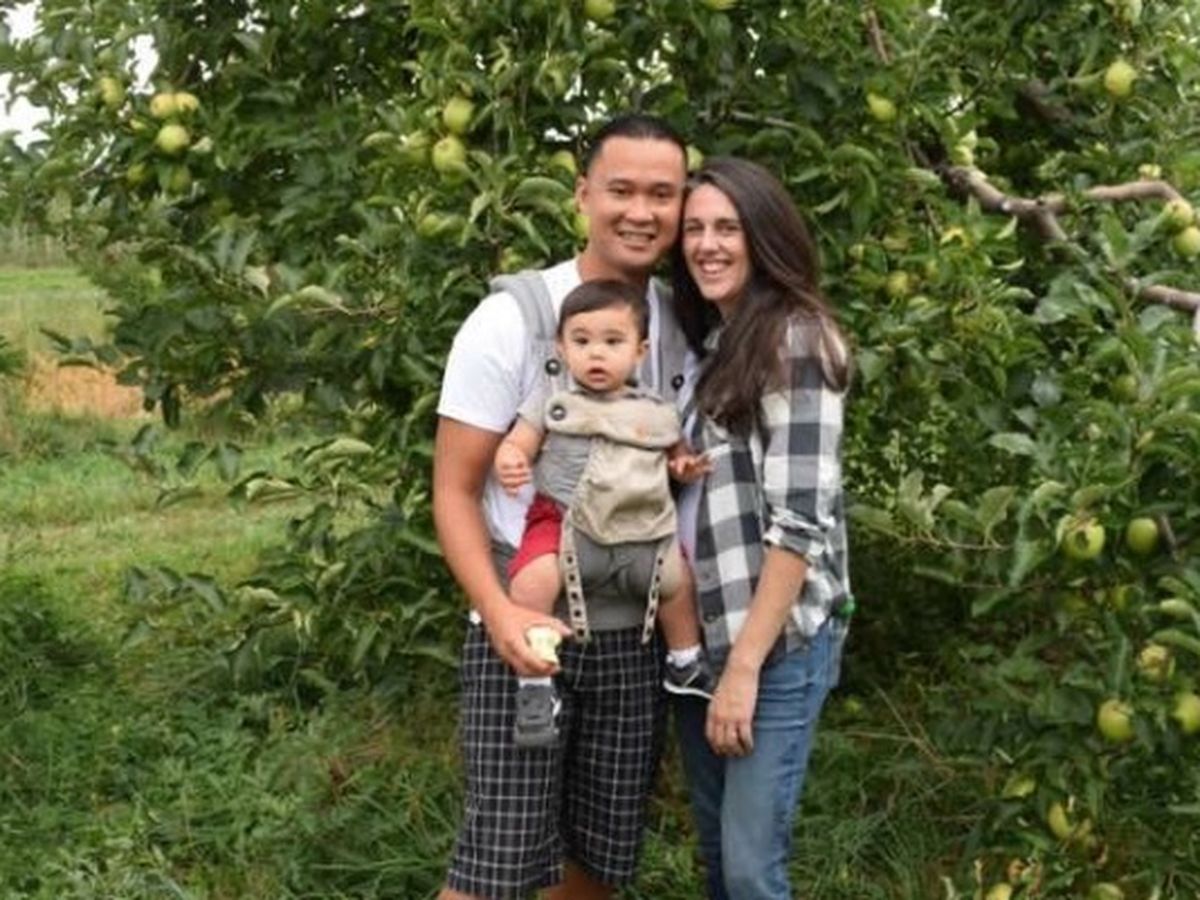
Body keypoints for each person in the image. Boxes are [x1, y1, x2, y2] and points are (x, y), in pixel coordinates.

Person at [434, 113, 690, 900]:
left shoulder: (681, 325)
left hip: (633, 633)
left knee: (599, 859)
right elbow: (454, 488)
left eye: (662, 194)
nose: (641, 212)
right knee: (498, 861)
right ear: (582, 195)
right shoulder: (513, 317)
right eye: (621, 190)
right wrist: (499, 614)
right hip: (530, 620)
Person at [669, 157, 853, 900]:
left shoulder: (796, 338)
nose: (706, 245)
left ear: (764, 236)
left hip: (771, 646)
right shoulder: (718, 343)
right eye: (694, 229)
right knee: (720, 860)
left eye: (727, 228)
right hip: (706, 640)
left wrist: (744, 669)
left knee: (750, 870)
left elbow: (800, 519)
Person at [492, 278, 714, 748]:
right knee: (530, 581)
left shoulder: (655, 410)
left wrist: (684, 466)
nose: (596, 354)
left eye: (613, 342)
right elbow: (518, 442)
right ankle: (535, 683)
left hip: (641, 529)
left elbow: (676, 455)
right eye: (582, 341)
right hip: (563, 520)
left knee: (677, 582)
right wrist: (510, 459)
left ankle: (684, 659)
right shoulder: (553, 399)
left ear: (640, 350)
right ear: (561, 347)